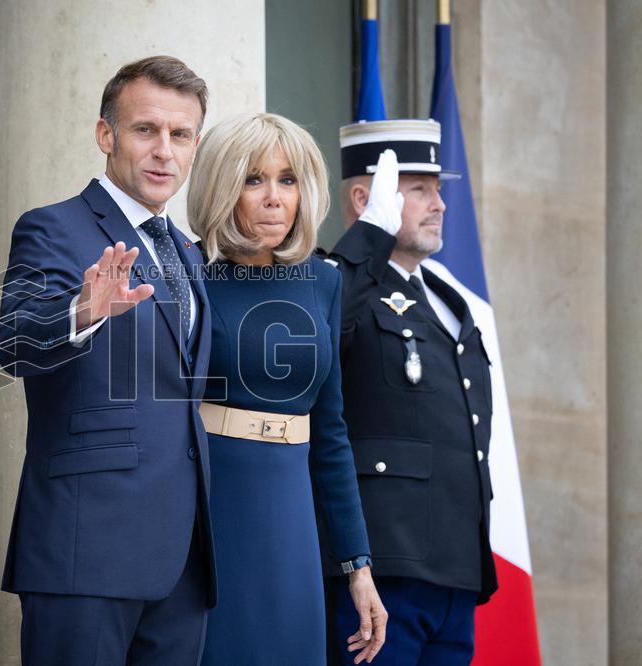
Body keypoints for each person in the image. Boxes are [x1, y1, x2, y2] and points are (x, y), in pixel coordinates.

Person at [0, 56, 215, 665]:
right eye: (146, 129)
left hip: (184, 563)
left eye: (181, 135)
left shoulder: (189, 254)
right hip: (84, 553)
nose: (164, 151)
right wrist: (81, 313)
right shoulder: (52, 228)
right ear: (106, 135)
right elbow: (12, 344)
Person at [187, 112, 386, 665]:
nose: (274, 198)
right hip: (211, 507)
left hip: (293, 515)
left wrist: (358, 566)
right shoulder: (187, 276)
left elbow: (332, 435)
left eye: (287, 179)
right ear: (221, 187)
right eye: (253, 179)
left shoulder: (323, 281)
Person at [319, 119, 497, 665]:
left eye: (437, 188)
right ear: (363, 197)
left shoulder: (446, 295)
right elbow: (319, 333)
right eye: (419, 188)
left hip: (453, 567)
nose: (439, 203)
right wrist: (366, 241)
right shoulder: (338, 280)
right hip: (381, 569)